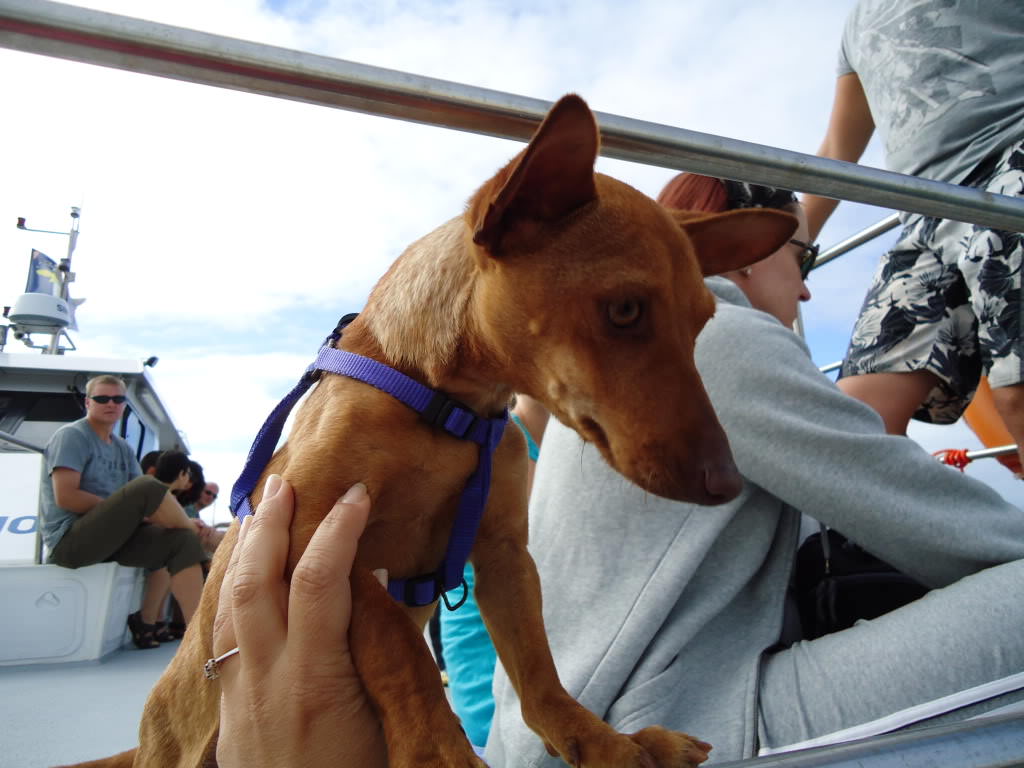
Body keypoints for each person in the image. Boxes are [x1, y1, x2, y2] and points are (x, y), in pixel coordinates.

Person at [213, 175, 1024, 764]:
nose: (807, 291)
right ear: (731, 265)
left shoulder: (517, 413)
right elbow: (966, 535)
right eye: (801, 259)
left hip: (555, 729)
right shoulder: (730, 340)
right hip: (678, 710)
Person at [802, 0, 1024, 473]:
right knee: (858, 425)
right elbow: (839, 148)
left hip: (1011, 162)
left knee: (1017, 394)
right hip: (923, 215)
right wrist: (788, 243)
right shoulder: (856, 24)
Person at [40, 375, 206, 650]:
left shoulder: (123, 449)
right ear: (88, 402)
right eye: (102, 398)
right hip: (69, 542)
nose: (111, 404)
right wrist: (124, 510)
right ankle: (198, 531)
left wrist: (144, 516)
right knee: (147, 486)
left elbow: (147, 506)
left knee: (182, 541)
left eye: (118, 399)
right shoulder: (72, 436)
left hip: (113, 541)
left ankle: (198, 637)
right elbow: (66, 496)